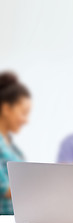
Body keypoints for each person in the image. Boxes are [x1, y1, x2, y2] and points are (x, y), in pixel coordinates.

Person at [0, 71, 31, 215]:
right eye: (24, 113)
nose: (26, 120)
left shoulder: (11, 145)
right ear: (6, 109)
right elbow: (4, 188)